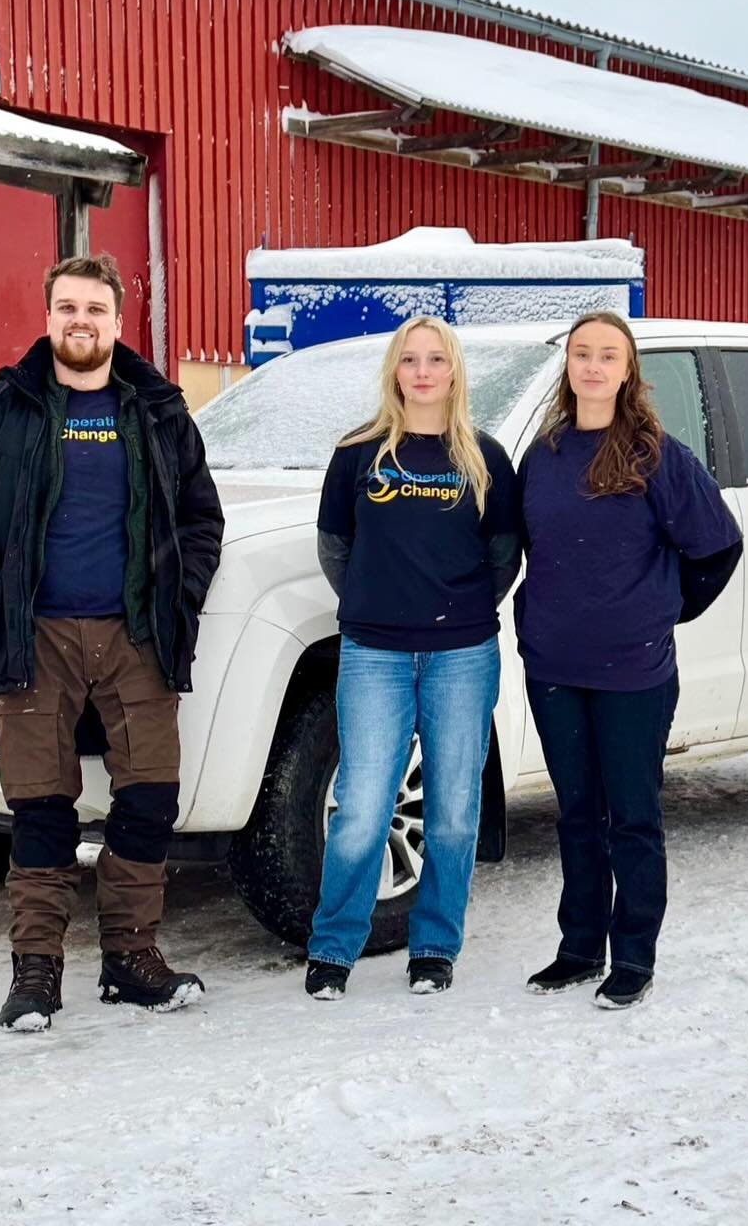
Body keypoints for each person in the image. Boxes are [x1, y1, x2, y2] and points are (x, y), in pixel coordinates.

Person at [0, 253, 224, 1031]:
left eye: (94, 308)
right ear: (47, 316)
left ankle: (130, 959)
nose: (79, 321)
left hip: (138, 637)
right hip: (33, 638)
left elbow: (200, 519)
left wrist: (177, 594)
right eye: (66, 307)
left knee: (149, 800)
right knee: (42, 810)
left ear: (120, 323)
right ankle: (37, 973)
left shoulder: (156, 411)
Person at [516, 311, 742, 1009]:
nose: (592, 366)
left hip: (633, 673)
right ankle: (579, 947)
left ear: (627, 371)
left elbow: (718, 546)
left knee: (632, 816)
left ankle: (634, 957)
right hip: (554, 665)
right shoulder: (544, 455)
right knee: (577, 812)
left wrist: (663, 610)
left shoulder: (658, 457)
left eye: (607, 355)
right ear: (569, 367)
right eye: (582, 354)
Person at [305, 317, 520, 1000]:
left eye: (435, 360)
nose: (422, 372)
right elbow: (335, 548)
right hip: (374, 655)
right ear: (394, 371)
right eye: (410, 360)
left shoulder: (485, 458)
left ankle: (434, 945)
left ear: (454, 371)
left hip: (463, 654)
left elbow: (502, 559)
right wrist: (381, 606)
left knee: (455, 811)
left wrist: (450, 611)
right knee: (363, 807)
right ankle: (334, 947)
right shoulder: (357, 455)